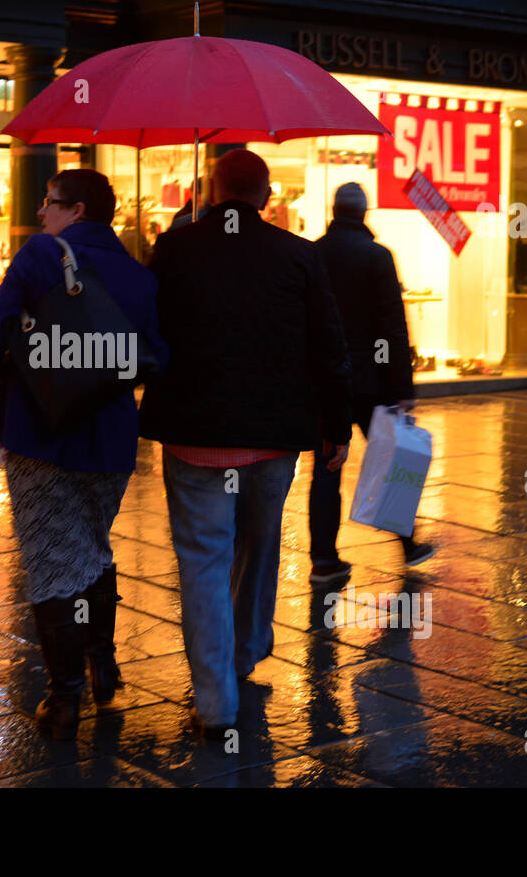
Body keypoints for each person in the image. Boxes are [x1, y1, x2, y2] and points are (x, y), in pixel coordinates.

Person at [139, 148, 352, 738]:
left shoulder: (175, 249)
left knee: (203, 562)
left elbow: (148, 331)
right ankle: (246, 648)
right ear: (264, 195)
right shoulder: (298, 255)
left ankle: (216, 703)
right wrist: (336, 426)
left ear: (211, 188)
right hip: (271, 438)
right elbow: (329, 347)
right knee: (259, 547)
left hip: (195, 436)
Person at [0, 168, 167, 741]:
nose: (41, 213)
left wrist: (19, 373)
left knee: (51, 561)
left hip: (41, 436)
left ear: (77, 209)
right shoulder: (139, 275)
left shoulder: (40, 255)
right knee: (90, 545)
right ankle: (103, 663)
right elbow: (154, 355)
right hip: (110, 440)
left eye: (50, 202)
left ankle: (64, 698)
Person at [310, 183, 434, 576]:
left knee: (326, 469)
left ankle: (324, 558)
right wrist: (402, 388)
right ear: (365, 213)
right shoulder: (377, 256)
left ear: (334, 210)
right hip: (370, 382)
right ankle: (409, 543)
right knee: (390, 458)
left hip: (326, 382)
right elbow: (392, 326)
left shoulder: (313, 254)